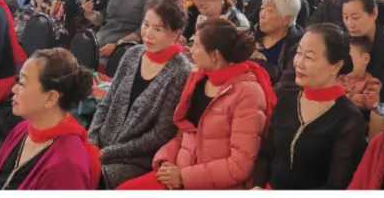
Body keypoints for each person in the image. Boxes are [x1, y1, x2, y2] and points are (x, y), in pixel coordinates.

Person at [117, 18, 275, 189]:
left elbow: (240, 166)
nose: (190, 50)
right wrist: (166, 160)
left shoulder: (248, 93)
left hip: (211, 185)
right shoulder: (199, 79)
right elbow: (183, 135)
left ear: (215, 55)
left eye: (197, 45)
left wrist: (184, 177)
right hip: (179, 174)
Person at [88, 0, 191, 187]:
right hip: (102, 143)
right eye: (146, 25)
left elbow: (161, 133)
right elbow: (106, 102)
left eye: (158, 29)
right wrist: (92, 139)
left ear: (176, 34)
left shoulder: (180, 71)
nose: (148, 34)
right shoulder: (133, 54)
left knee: (91, 177)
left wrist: (107, 153)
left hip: (134, 159)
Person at [254, 23, 365, 188]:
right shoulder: (284, 97)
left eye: (309, 57)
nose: (299, 63)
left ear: (336, 66)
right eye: (299, 53)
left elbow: (336, 185)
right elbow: (265, 154)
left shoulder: (349, 119)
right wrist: (257, 186)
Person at [0, 49, 99, 189]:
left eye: (22, 83)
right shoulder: (23, 129)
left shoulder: (67, 166)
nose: (14, 89)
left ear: (51, 98)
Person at [253, 0, 304, 85]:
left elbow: (287, 83)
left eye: (270, 11)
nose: (262, 15)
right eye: (262, 9)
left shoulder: (297, 47)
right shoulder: (253, 35)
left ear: (286, 20)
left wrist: (258, 62)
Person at [340, 34, 383, 110]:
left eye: (350, 57)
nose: (345, 61)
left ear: (366, 59)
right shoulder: (341, 79)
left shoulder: (372, 82)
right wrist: (352, 97)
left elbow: (372, 103)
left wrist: (345, 96)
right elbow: (332, 97)